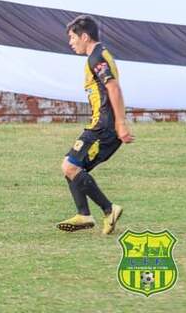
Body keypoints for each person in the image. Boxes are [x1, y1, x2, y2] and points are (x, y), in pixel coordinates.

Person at [57, 15, 134, 234]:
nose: (71, 43)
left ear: (84, 36)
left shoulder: (96, 58)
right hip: (102, 125)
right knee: (73, 167)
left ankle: (108, 209)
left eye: (73, 38)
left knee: (70, 166)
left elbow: (114, 89)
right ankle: (84, 214)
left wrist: (120, 124)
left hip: (102, 127)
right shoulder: (99, 55)